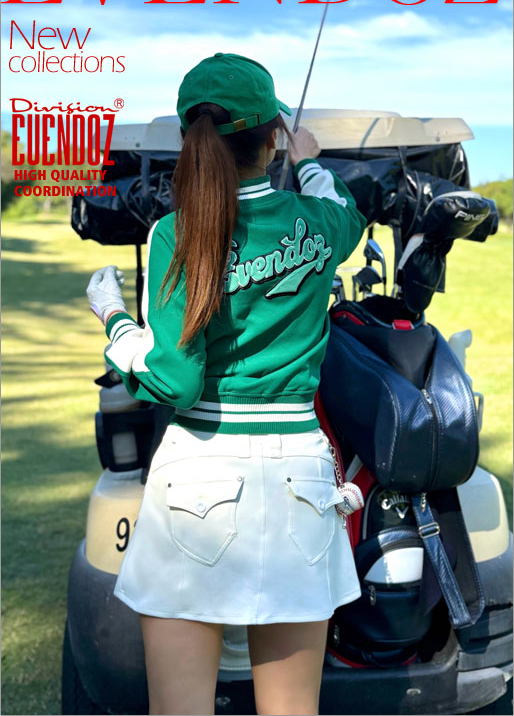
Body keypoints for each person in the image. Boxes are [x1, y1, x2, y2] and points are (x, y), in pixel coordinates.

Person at [86, 52, 367, 716]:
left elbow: (173, 379)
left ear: (193, 141)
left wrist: (115, 320)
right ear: (271, 137)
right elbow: (345, 210)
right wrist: (308, 158)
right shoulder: (317, 220)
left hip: (197, 474)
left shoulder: (174, 234)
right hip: (301, 480)